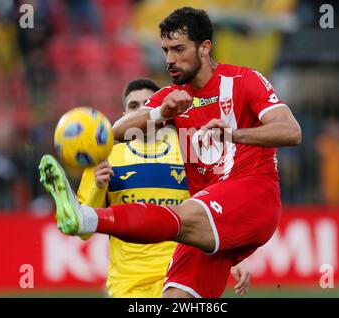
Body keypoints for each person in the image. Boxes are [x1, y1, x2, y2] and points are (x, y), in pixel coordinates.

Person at [39, 7, 301, 298]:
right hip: (208, 212)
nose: (169, 60)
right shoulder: (172, 96)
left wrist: (235, 134)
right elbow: (120, 130)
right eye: (165, 50)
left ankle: (88, 218)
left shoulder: (243, 80)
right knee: (176, 298)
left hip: (253, 193)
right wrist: (161, 112)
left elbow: (291, 131)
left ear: (205, 48)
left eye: (178, 49)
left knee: (179, 215)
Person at [77, 78, 250, 297]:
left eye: (147, 105)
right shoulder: (105, 157)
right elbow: (82, 229)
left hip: (180, 276)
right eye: (133, 107)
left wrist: (235, 256)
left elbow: (216, 209)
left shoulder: (190, 150)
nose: (140, 113)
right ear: (124, 116)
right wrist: (98, 187)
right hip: (128, 283)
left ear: (162, 111)